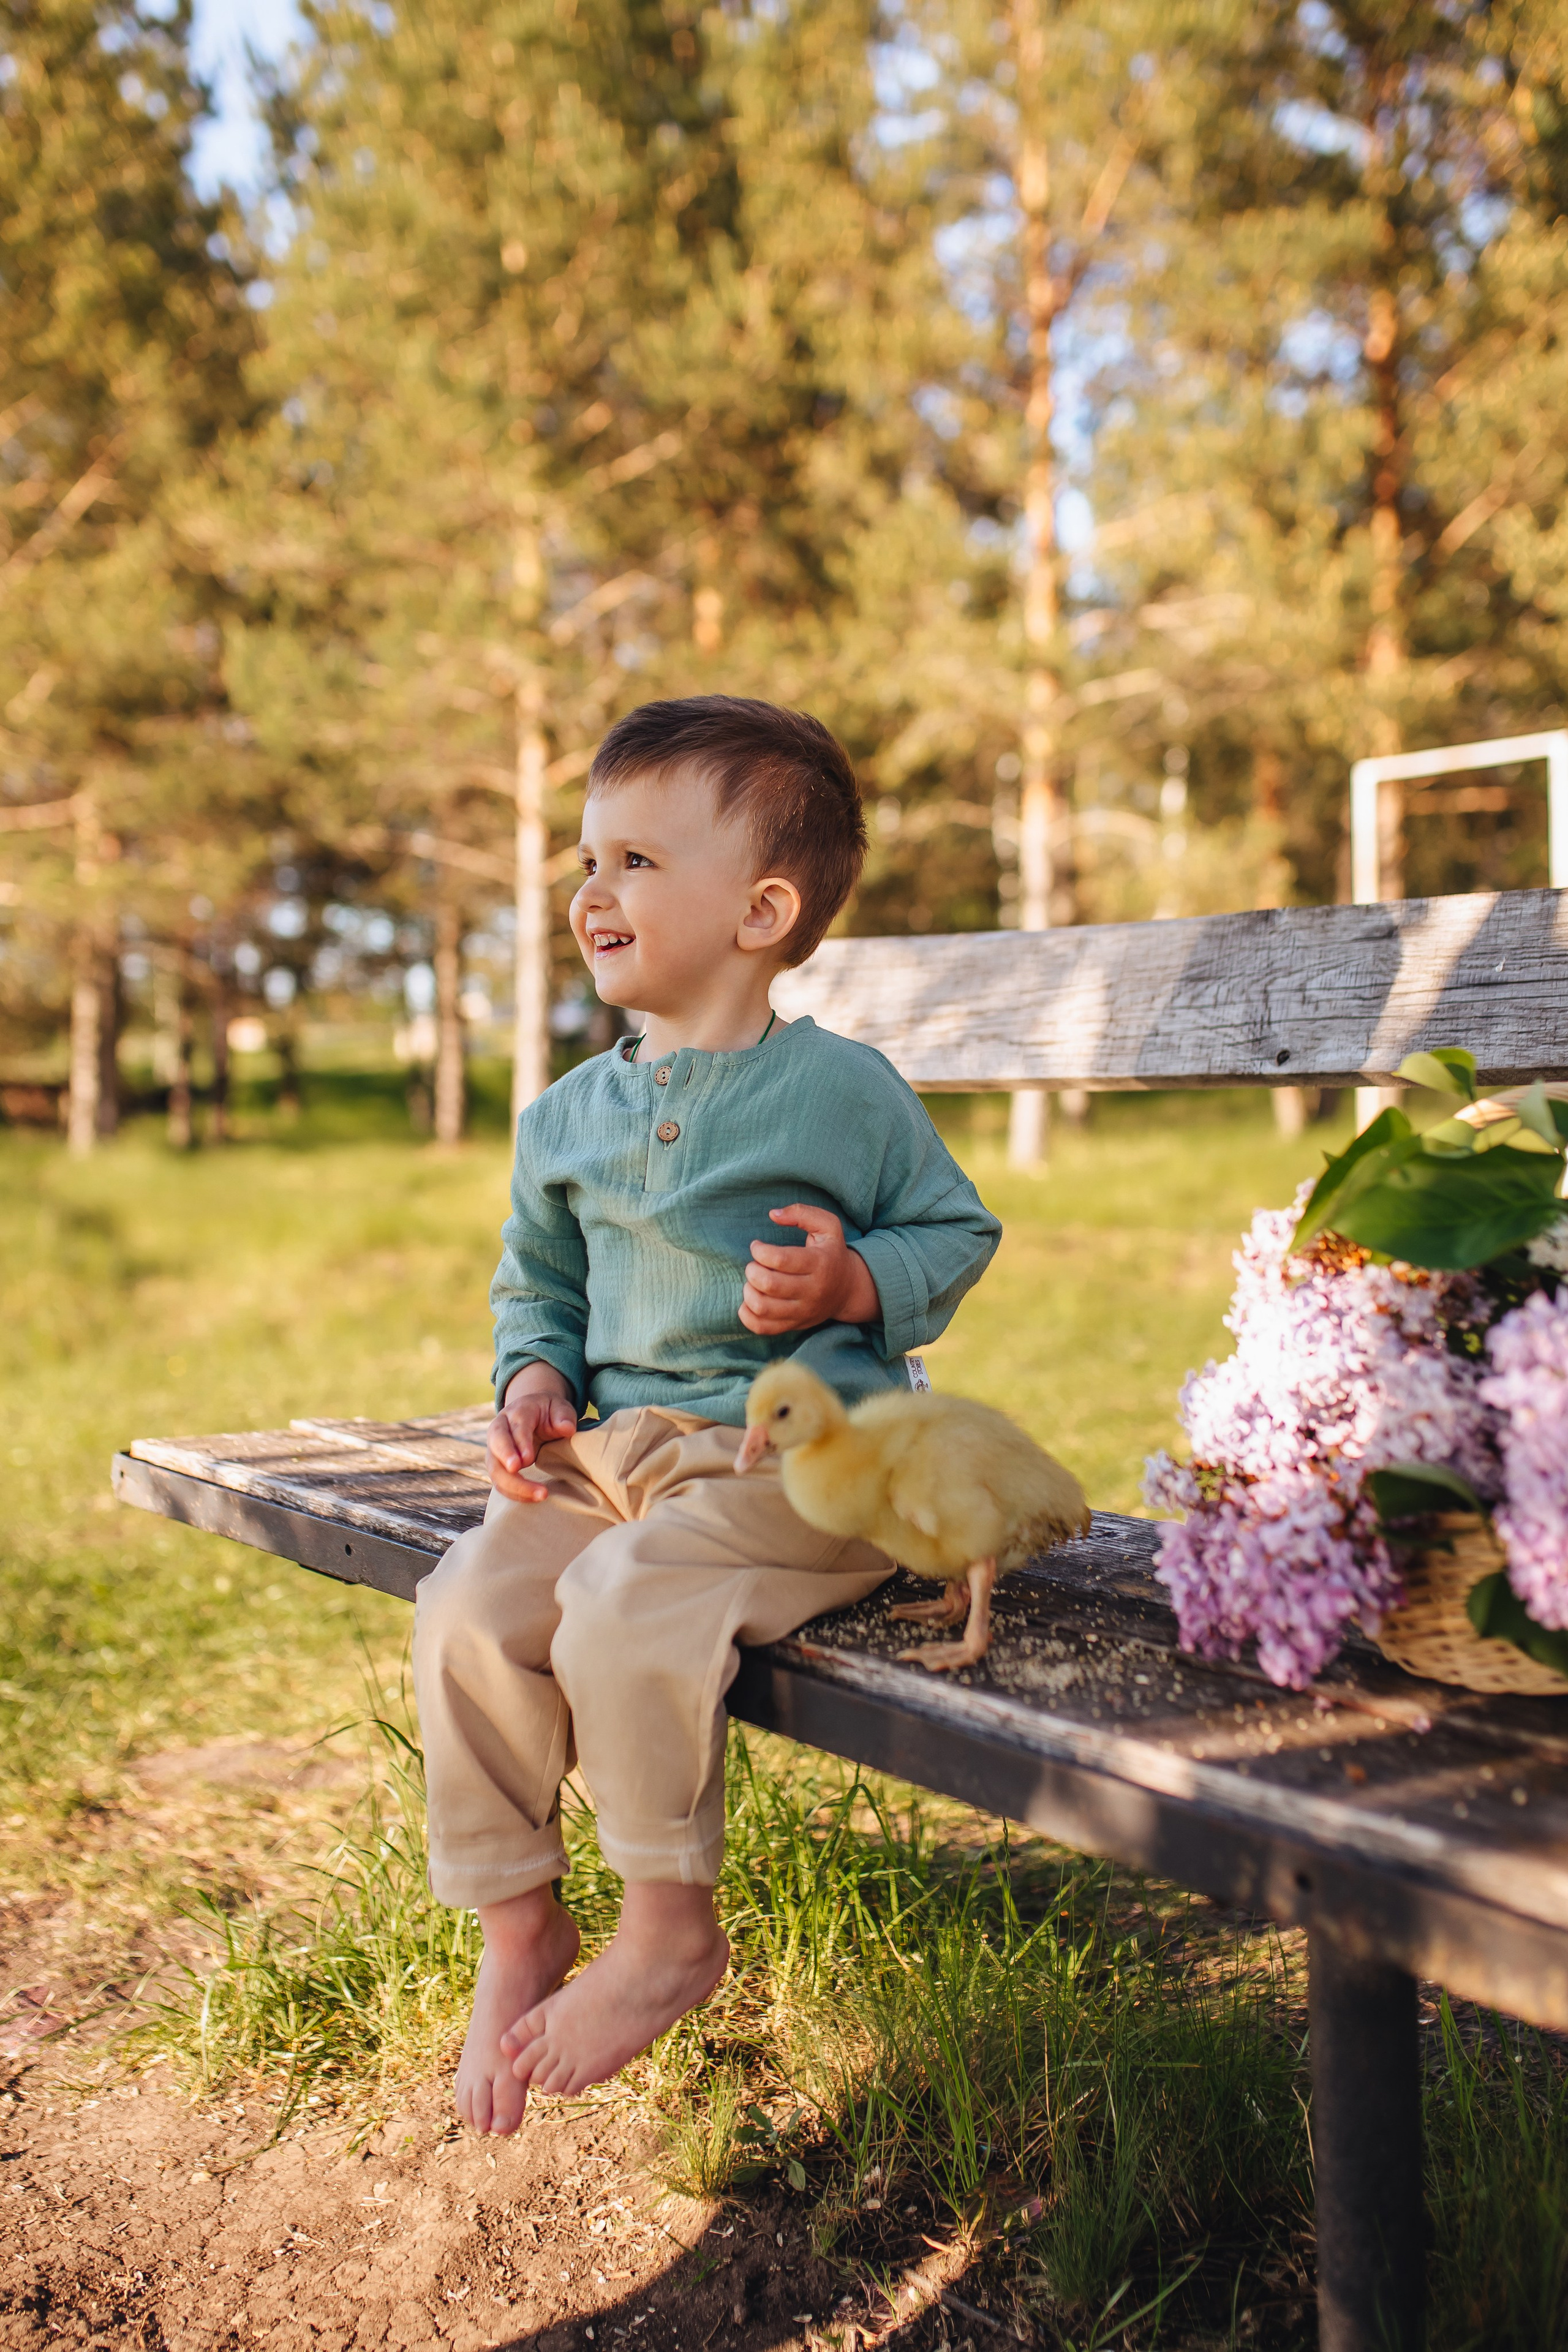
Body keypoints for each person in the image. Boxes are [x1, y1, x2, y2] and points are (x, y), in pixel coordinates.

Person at [412, 694, 1001, 2134]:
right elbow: (535, 1288)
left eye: (632, 862)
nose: (589, 891)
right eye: (587, 858)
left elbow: (956, 1233)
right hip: (606, 1456)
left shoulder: (841, 1092)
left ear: (761, 909)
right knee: (469, 1608)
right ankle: (519, 1926)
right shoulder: (563, 1118)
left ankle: (669, 1929)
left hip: (795, 1465)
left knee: (623, 1602)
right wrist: (534, 1381)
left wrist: (856, 1279)